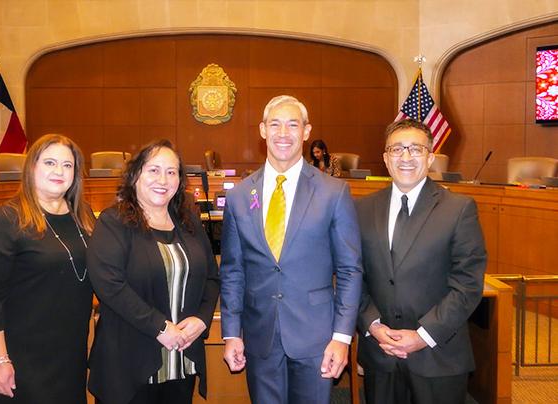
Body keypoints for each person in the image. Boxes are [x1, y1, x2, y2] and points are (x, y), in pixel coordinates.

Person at [220, 95, 363, 403]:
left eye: (292, 124)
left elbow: (350, 271)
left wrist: (341, 337)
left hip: (317, 338)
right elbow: (233, 269)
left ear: (306, 131)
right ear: (262, 130)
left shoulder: (334, 192)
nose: (283, 133)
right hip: (260, 336)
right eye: (275, 124)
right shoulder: (240, 196)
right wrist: (231, 332)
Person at [355, 119, 486, 404]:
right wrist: (373, 326)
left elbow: (467, 285)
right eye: (396, 149)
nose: (405, 157)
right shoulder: (361, 209)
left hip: (437, 356)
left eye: (415, 149)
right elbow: (353, 276)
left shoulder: (459, 209)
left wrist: (423, 335)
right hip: (381, 354)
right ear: (385, 159)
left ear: (429, 157)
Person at [87, 139, 220, 404]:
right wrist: (159, 327)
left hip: (181, 360)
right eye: (153, 170)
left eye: (171, 172)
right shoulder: (114, 221)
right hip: (129, 361)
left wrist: (202, 319)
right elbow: (109, 285)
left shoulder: (189, 221)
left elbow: (212, 278)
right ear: (135, 175)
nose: (163, 179)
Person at [0, 134, 96, 403]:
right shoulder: (7, 219)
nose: (59, 171)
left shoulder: (83, 216)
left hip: (69, 352)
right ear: (32, 168)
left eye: (67, 165)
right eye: (50, 162)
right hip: (22, 354)